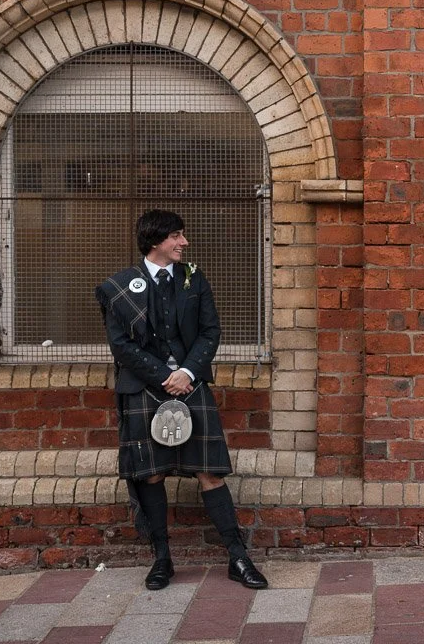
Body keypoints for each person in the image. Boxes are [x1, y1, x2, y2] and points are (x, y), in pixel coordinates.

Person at [96, 210, 267, 591]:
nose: (183, 242)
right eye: (176, 236)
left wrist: (186, 373)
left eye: (182, 236)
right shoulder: (119, 287)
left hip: (190, 384)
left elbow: (211, 331)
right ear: (156, 240)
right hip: (143, 387)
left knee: (210, 471)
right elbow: (120, 346)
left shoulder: (194, 279)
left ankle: (238, 558)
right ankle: (162, 559)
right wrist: (163, 376)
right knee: (152, 473)